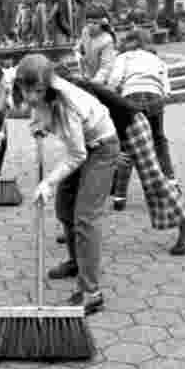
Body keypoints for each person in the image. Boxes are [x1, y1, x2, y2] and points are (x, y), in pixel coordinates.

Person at [15, 53, 118, 315]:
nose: (31, 98)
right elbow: (40, 114)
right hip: (82, 146)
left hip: (101, 148)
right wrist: (39, 125)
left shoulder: (66, 104)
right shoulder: (35, 92)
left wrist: (48, 182)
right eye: (26, 91)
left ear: (48, 86)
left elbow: (77, 155)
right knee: (64, 209)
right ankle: (76, 262)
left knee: (85, 218)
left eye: (37, 91)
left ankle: (91, 292)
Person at [69, 76, 185, 256]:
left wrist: (112, 149)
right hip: (121, 127)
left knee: (153, 179)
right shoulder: (72, 90)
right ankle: (74, 227)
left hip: (132, 126)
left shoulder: (78, 89)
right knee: (83, 175)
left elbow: (99, 119)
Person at [93, 28, 175, 210]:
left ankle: (119, 197)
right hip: (155, 98)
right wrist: (163, 96)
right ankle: (171, 182)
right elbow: (166, 84)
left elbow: (114, 79)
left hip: (131, 98)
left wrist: (115, 96)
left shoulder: (123, 57)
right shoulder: (156, 59)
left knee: (127, 146)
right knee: (159, 140)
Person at [76, 4, 117, 80]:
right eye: (88, 22)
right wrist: (81, 55)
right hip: (88, 75)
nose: (90, 25)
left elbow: (106, 67)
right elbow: (80, 48)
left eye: (95, 23)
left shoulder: (107, 40)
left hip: (102, 80)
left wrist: (95, 82)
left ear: (102, 23)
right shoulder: (85, 31)